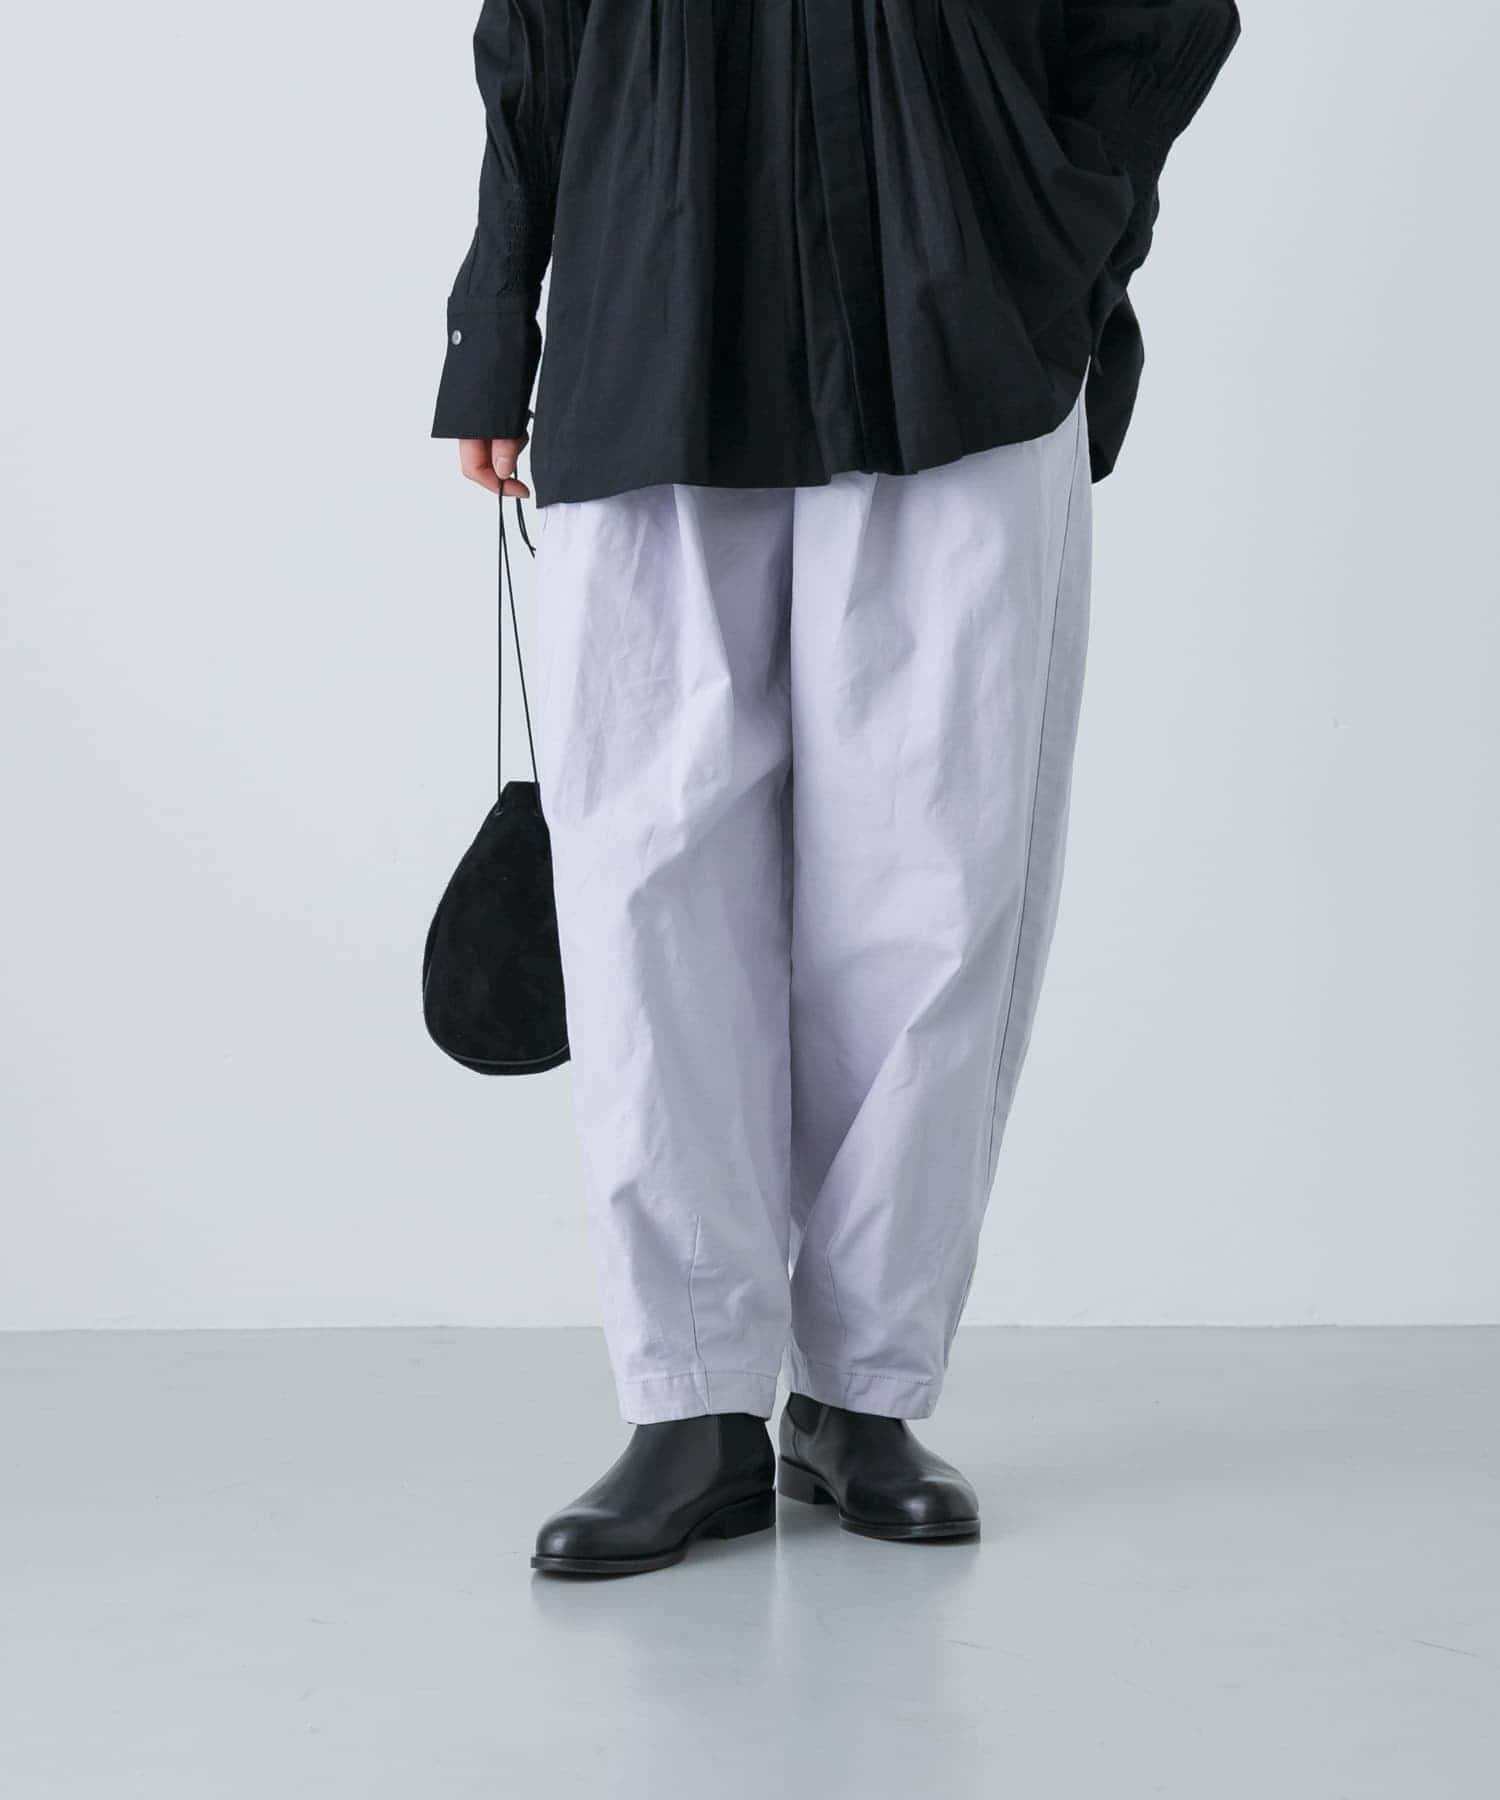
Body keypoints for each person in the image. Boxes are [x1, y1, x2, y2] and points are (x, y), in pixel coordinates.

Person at [433, 0, 1239, 1577]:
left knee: (934, 876)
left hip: (963, 315)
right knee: (651, 882)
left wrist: (1059, 241)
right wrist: (494, 320)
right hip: (652, 283)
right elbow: (533, 25)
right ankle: (691, 1402)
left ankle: (863, 1390)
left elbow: (1167, 18)